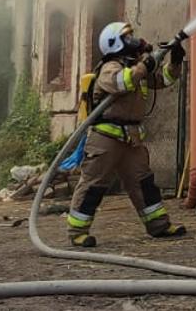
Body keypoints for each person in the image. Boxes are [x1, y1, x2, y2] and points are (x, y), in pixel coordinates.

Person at [66, 22, 187, 248]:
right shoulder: (110, 67)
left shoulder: (135, 67)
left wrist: (175, 60)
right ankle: (78, 232)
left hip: (132, 139)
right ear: (114, 43)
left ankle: (159, 225)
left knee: (144, 184)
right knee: (93, 185)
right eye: (128, 37)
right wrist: (144, 64)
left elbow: (163, 80)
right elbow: (120, 82)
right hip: (106, 139)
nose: (134, 40)